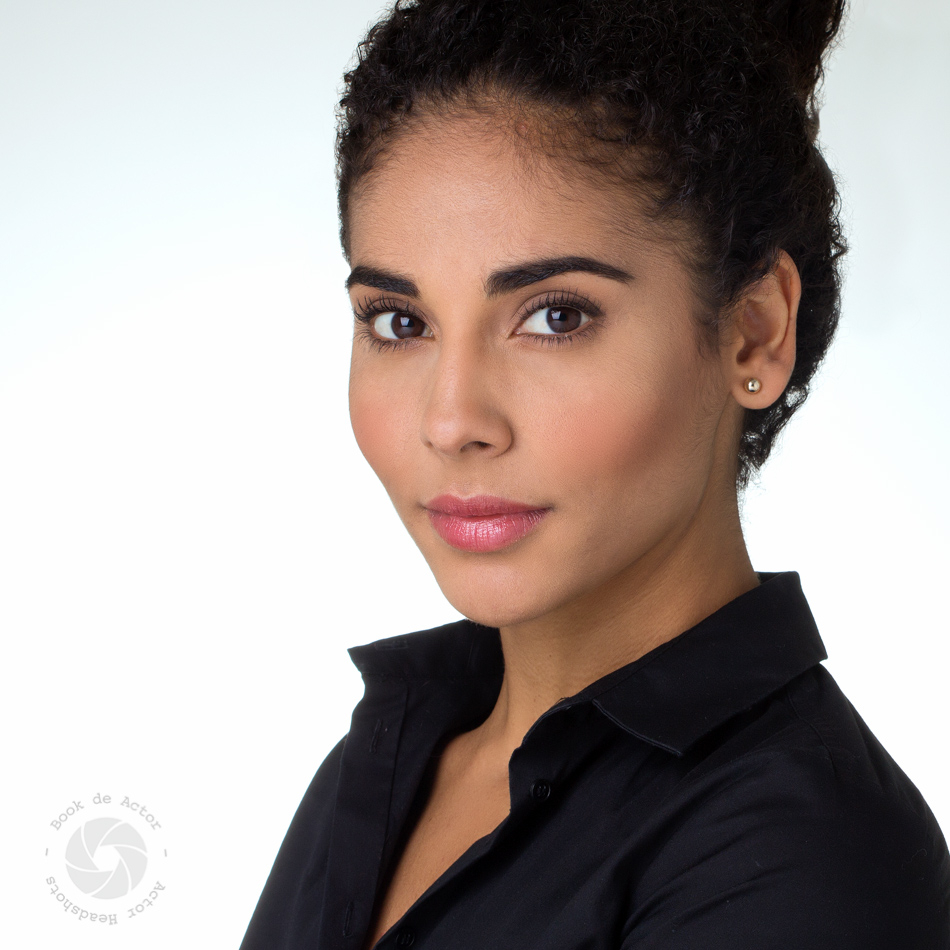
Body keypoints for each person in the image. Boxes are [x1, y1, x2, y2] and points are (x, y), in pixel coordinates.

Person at [240, 0, 950, 947]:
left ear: (754, 332)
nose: (451, 422)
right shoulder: (386, 759)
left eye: (556, 317)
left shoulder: (807, 852)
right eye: (400, 323)